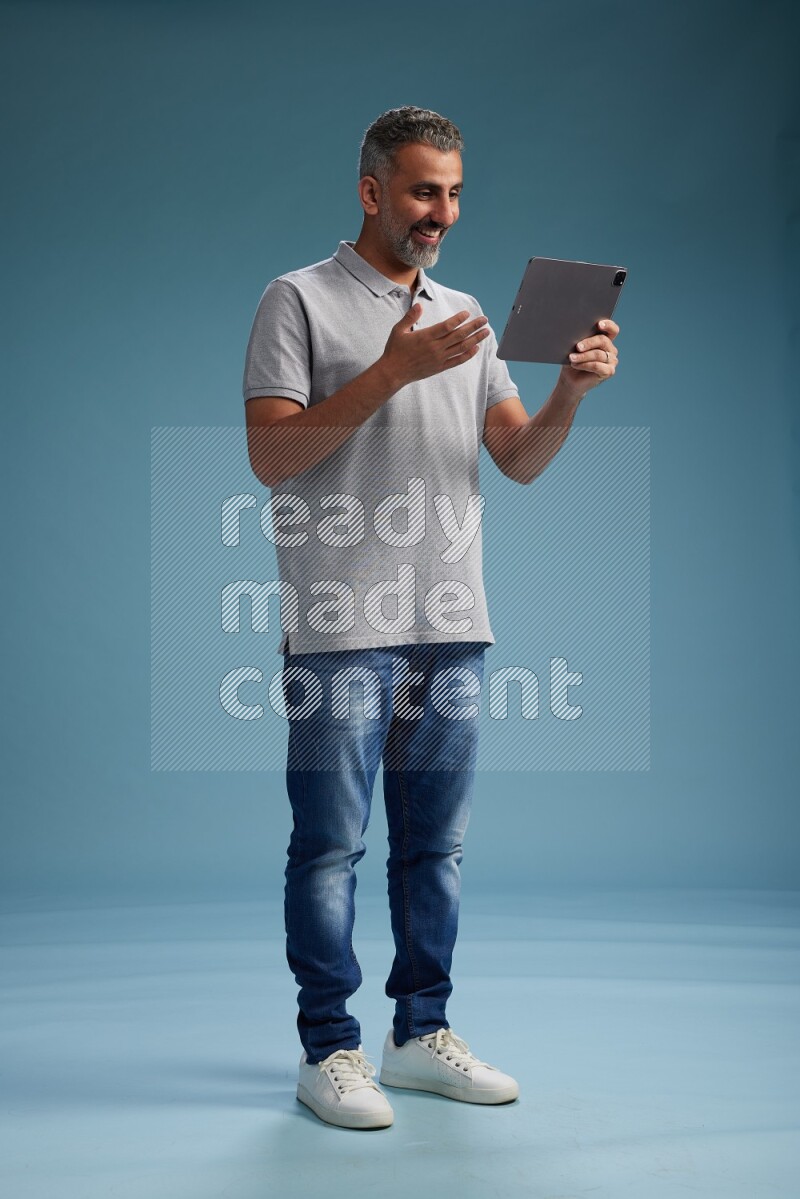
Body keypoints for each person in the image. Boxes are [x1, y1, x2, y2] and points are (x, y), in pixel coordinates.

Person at [242, 106, 620, 1131]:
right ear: (370, 192)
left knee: (434, 847)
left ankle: (417, 1033)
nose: (439, 212)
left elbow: (517, 457)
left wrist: (569, 395)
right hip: (339, 620)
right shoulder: (298, 300)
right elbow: (270, 454)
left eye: (452, 192)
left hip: (450, 617)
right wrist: (392, 371)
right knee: (330, 845)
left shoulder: (463, 315)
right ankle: (329, 1048)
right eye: (420, 190)